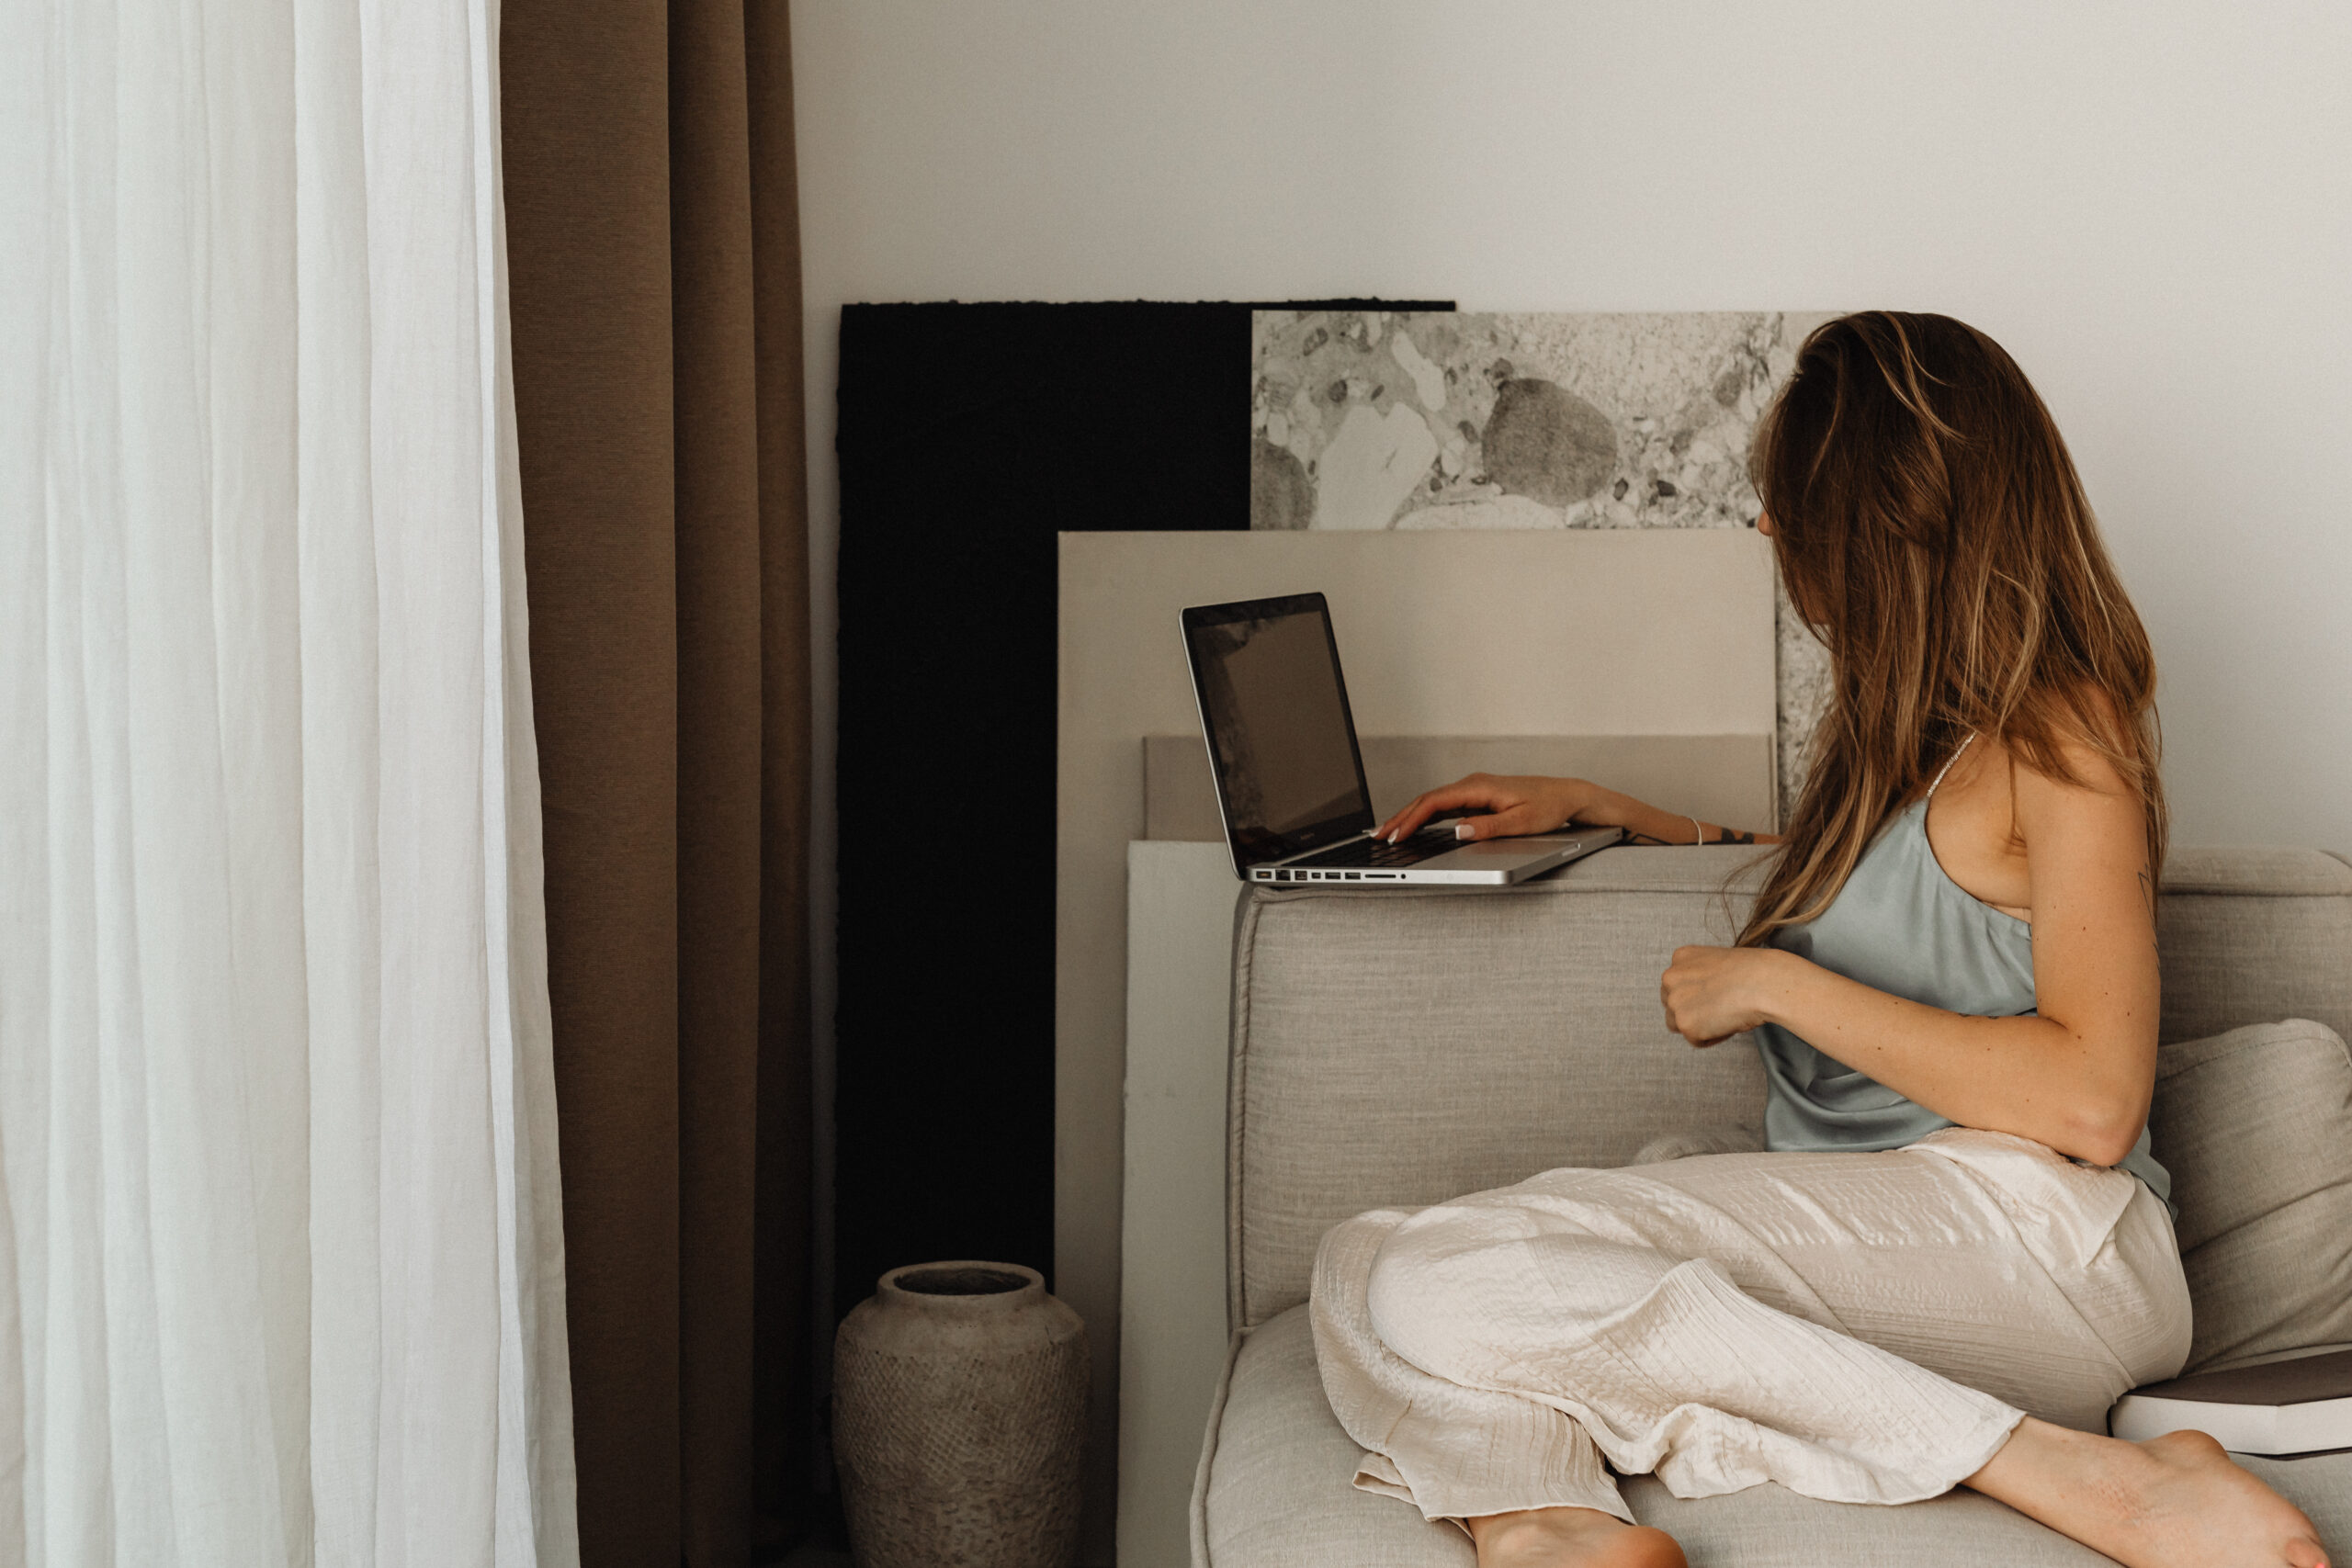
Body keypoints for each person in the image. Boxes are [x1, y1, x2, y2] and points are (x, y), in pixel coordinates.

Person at [1311, 311, 2331, 1568]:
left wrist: (1779, 987)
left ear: (1877, 523)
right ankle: (1548, 1522)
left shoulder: (2065, 735)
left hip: (2045, 1246)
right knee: (1362, 1257)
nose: (1763, 528)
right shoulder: (1903, 741)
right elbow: (1908, 909)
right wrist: (1619, 814)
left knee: (1438, 1281)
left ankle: (2084, 1480)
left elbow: (2093, 1098)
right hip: (1901, 1231)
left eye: (1786, 500)